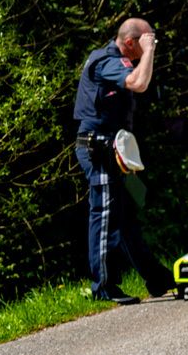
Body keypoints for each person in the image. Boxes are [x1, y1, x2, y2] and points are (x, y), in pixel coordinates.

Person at [73, 17, 171, 303]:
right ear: (130, 42)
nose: (151, 45)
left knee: (124, 216)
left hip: (113, 147)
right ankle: (103, 286)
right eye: (147, 40)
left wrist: (147, 50)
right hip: (98, 148)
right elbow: (138, 83)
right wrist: (148, 51)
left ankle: (156, 279)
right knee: (104, 215)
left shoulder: (119, 60)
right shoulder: (106, 61)